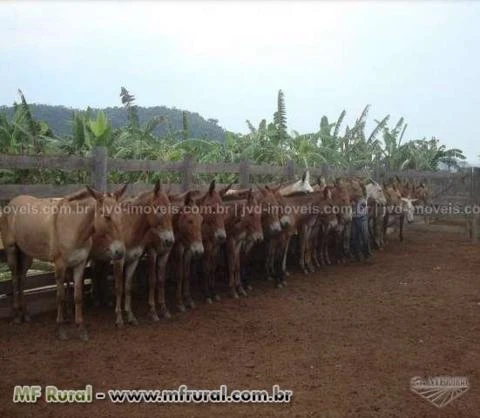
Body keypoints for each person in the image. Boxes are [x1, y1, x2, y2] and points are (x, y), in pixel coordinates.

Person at [351, 188, 373, 263]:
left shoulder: (363, 200)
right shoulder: (354, 200)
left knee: (365, 237)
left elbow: (362, 209)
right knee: (355, 238)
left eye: (358, 192)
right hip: (355, 219)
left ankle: (368, 256)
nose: (357, 194)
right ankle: (358, 255)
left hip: (362, 218)